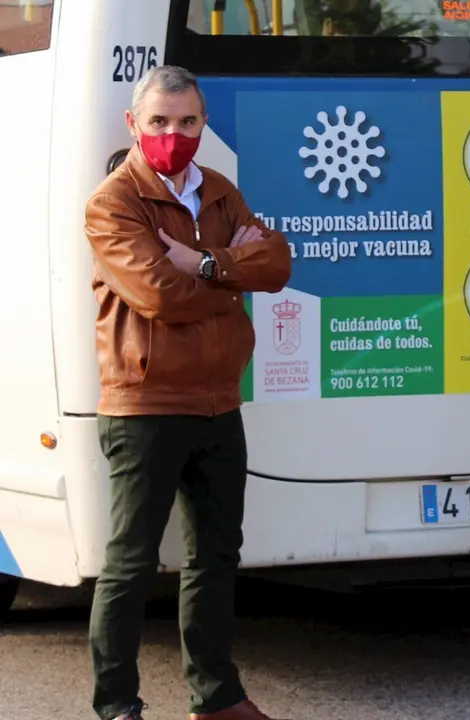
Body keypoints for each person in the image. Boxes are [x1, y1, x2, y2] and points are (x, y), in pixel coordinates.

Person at [84, 65, 293, 720]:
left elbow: (279, 263)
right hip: (144, 405)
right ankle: (116, 705)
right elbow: (156, 295)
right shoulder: (114, 203)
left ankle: (217, 698)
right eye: (159, 122)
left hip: (217, 401)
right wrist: (233, 276)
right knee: (130, 565)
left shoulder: (220, 193)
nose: (173, 135)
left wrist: (202, 261)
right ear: (134, 126)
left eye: (187, 122)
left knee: (215, 557)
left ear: (203, 124)